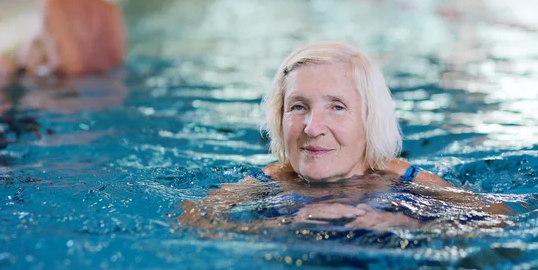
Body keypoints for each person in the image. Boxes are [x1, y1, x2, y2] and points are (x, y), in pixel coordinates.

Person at [179, 42, 513, 233]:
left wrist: (396, 222)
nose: (312, 127)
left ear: (369, 118)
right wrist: (280, 226)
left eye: (337, 107)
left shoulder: (407, 181)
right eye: (298, 106)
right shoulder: (269, 181)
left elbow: (501, 218)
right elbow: (190, 219)